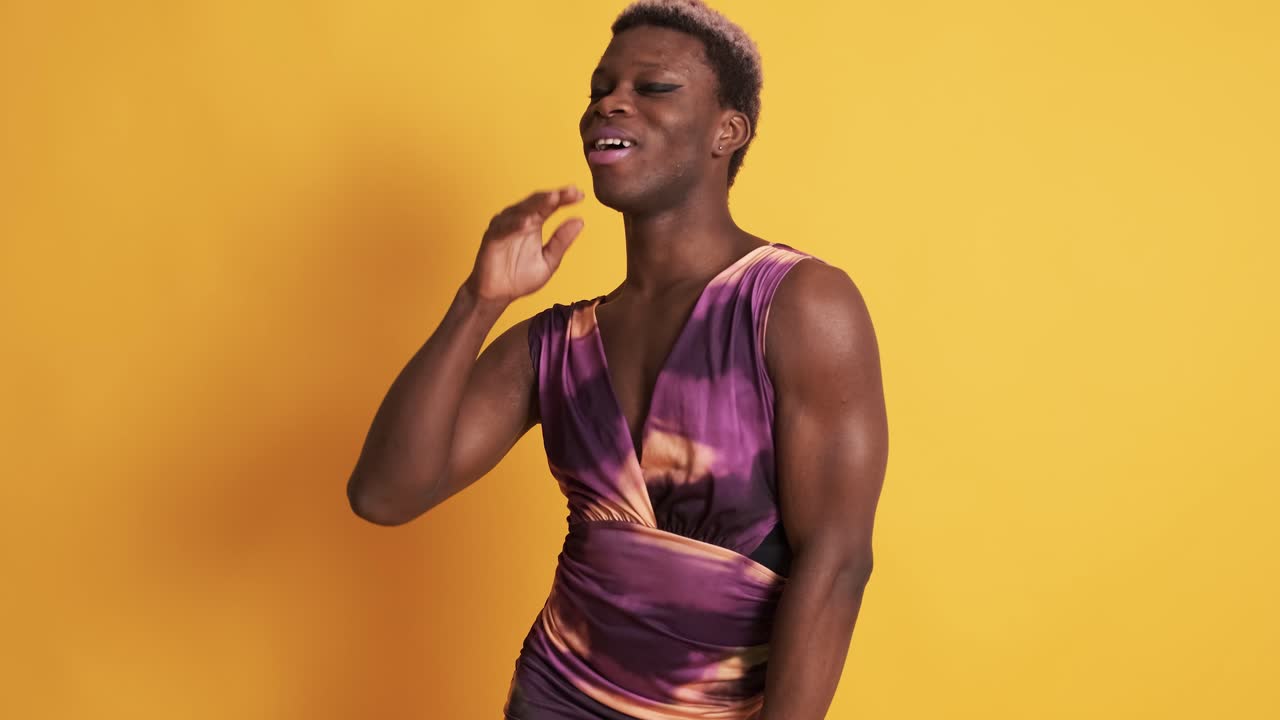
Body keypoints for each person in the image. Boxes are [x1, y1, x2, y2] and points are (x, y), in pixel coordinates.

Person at [346, 1, 889, 717]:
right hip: (551, 698)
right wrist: (477, 302)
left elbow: (837, 562)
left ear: (728, 130)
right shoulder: (553, 346)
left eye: (652, 87)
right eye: (600, 88)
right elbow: (384, 494)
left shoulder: (800, 305)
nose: (610, 103)